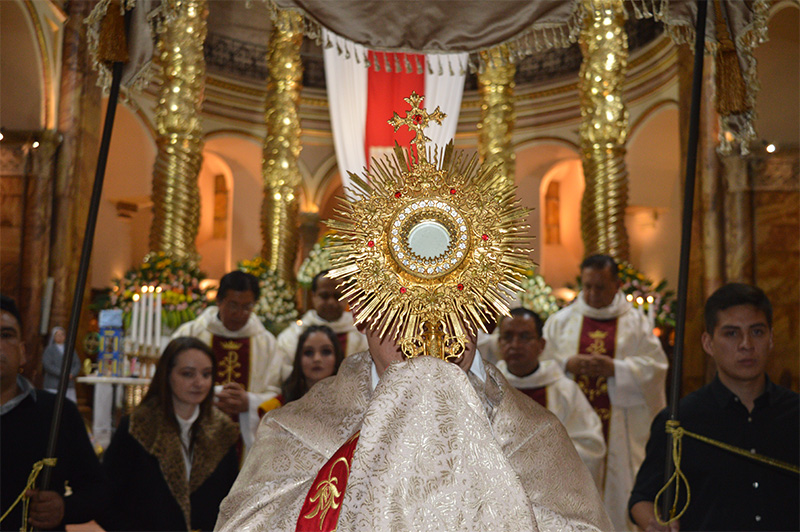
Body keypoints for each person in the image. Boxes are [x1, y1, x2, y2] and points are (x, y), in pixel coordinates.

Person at [216, 311, 612, 531]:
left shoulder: (532, 433)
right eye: (401, 304)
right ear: (362, 312)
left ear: (481, 312)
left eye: (450, 302)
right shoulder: (297, 429)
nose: (426, 324)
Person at [629, 283, 799, 532]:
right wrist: (656, 523)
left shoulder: (795, 413)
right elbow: (642, 498)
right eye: (731, 333)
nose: (746, 344)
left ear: (771, 338)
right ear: (708, 343)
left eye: (757, 332)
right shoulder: (679, 420)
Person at [541, 253, 668, 530]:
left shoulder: (636, 323)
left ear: (616, 286)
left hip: (620, 428)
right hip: (572, 427)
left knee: (617, 493)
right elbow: (540, 366)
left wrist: (617, 369)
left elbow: (656, 368)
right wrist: (567, 365)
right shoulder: (560, 322)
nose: (592, 294)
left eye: (600, 287)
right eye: (587, 286)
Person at [99, 337, 239, 532]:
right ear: (167, 374)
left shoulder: (223, 430)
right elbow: (104, 498)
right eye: (188, 374)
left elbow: (232, 501)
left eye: (206, 374)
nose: (199, 382)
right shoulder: (138, 426)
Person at [0, 294, 106, 531]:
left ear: (22, 352)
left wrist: (64, 508)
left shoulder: (58, 413)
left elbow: (97, 491)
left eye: (6, 335)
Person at [496, 307, 606, 488]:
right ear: (499, 343)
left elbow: (591, 447)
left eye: (525, 337)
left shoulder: (565, 391)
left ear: (541, 344)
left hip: (553, 493)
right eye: (508, 337)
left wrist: (541, 456)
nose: (515, 344)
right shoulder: (487, 388)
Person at [172, 270, 283, 448]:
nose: (239, 313)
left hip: (247, 443)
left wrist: (249, 402)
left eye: (247, 306)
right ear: (218, 301)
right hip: (195, 435)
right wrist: (208, 396)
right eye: (233, 305)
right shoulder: (190, 333)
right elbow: (169, 381)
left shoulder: (267, 343)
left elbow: (277, 394)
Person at [276, 270, 367, 377]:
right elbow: (286, 375)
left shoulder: (362, 335)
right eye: (324, 296)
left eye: (337, 296)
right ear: (313, 296)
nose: (331, 302)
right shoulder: (291, 337)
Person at [257, 325, 345, 416]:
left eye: (326, 351)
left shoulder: (351, 404)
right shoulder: (275, 408)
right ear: (299, 359)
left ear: (337, 357)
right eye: (308, 352)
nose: (317, 359)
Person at [41, 326, 81, 403]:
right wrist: (63, 373)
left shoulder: (70, 349)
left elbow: (77, 363)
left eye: (62, 334)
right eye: (57, 335)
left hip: (68, 384)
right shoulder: (49, 350)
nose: (60, 337)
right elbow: (48, 365)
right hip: (53, 385)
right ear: (54, 337)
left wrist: (72, 373)